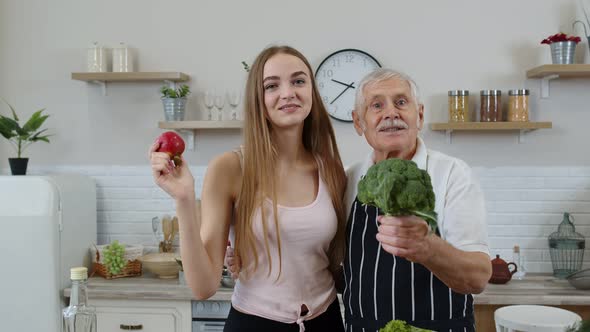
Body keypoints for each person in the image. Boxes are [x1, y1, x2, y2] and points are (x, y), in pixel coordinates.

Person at [227, 68, 492, 332]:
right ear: (358, 122)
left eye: (401, 102)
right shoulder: (348, 179)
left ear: (419, 115)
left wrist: (427, 248)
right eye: (376, 105)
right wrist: (256, 255)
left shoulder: (452, 175)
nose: (391, 113)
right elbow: (341, 271)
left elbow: (478, 277)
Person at [149, 45, 347, 332]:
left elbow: (336, 261)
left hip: (326, 321)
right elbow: (203, 286)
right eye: (272, 85)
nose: (288, 92)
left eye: (299, 81)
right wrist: (183, 199)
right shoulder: (230, 168)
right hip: (255, 323)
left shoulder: (332, 170)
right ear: (258, 100)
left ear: (312, 94)